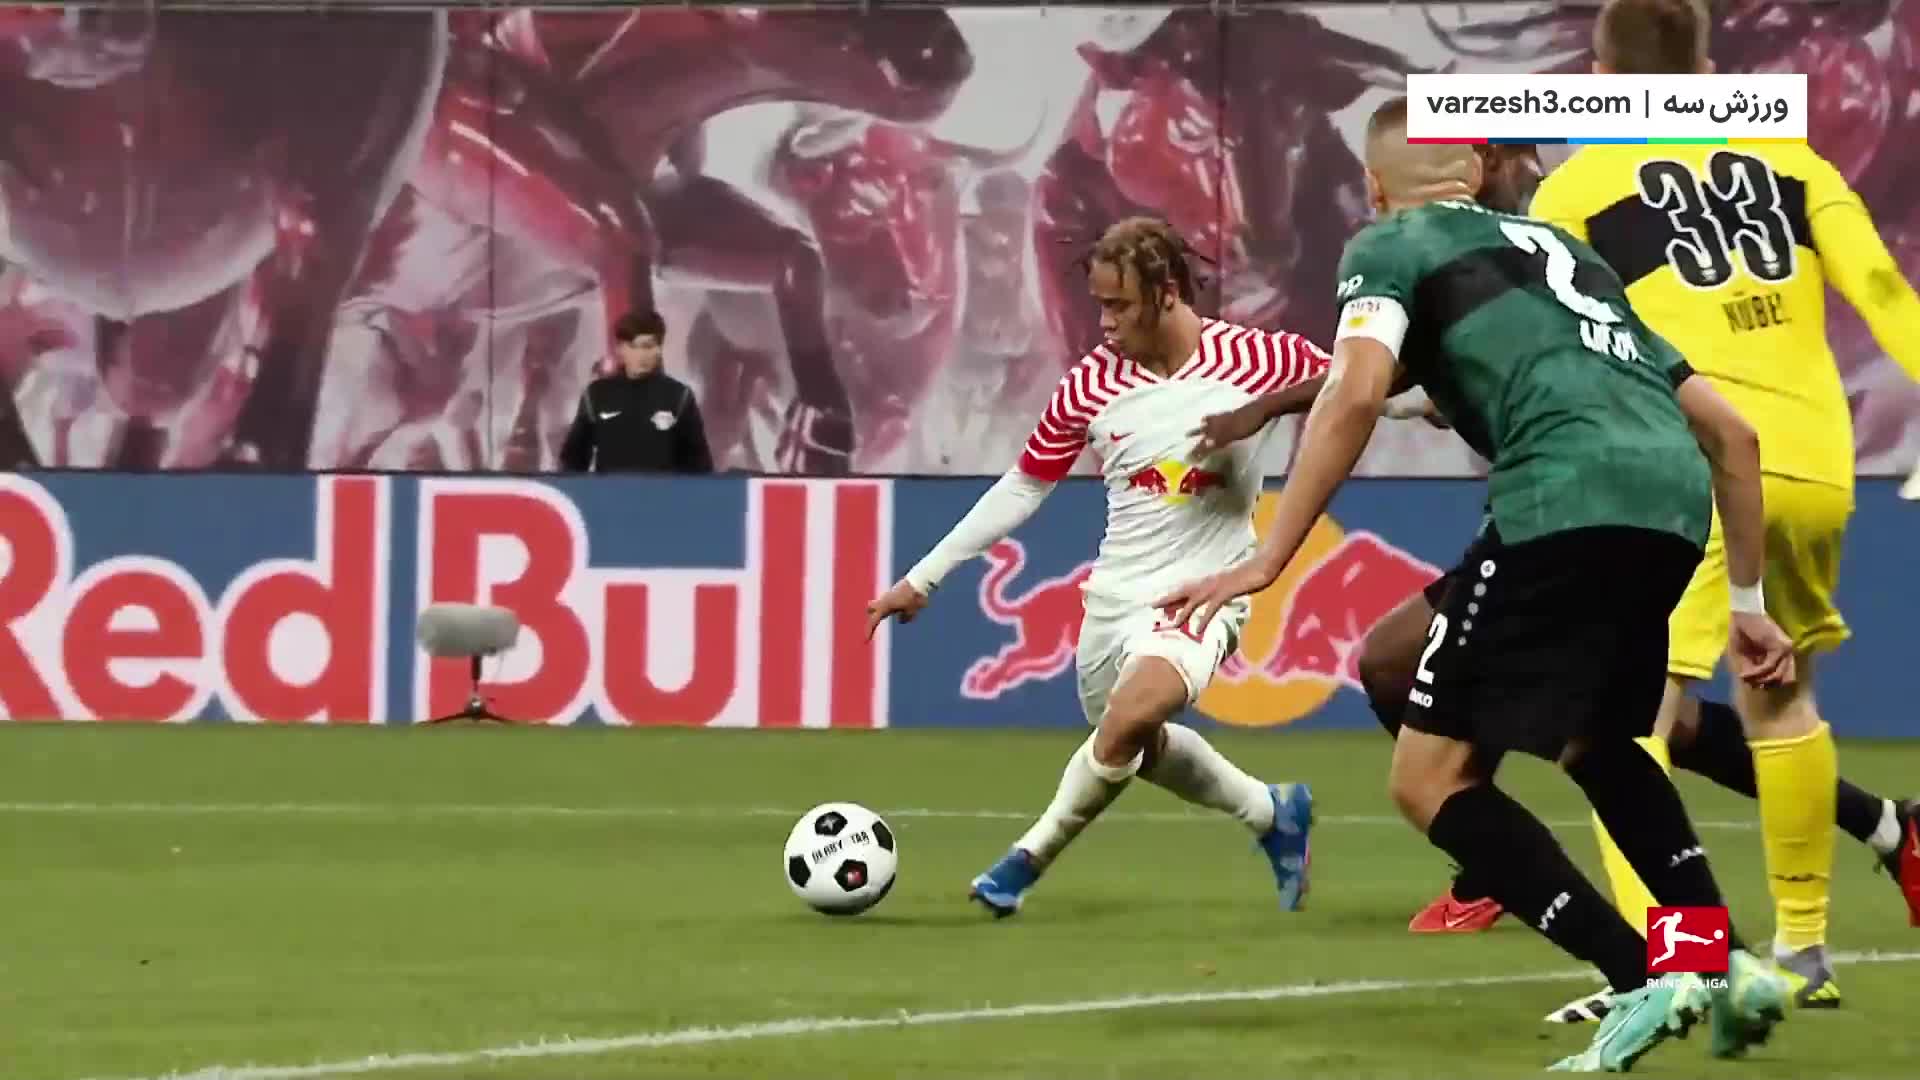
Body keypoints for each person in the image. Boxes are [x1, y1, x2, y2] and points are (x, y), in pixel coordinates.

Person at [1191, 131, 1920, 1021]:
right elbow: (1732, 434)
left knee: (1429, 778)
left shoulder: (1392, 244)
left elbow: (1357, 389)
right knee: (1601, 741)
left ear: (1375, 187)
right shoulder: (1566, 259)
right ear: (1476, 173)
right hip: (1672, 503)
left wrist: (1269, 554)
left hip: (1558, 503)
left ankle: (1636, 974)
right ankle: (1717, 965)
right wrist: (1746, 603)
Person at [1520, 0, 1920, 1011]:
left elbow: (1543, 339)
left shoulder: (1576, 189)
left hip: (1687, 466)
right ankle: (1804, 953)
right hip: (1814, 464)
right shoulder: (1796, 162)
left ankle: (1679, 966)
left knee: (1625, 725)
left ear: (1600, 84)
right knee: (1781, 693)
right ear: (1707, 73)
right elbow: (1881, 286)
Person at [864, 216, 1327, 918]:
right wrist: (921, 578)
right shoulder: (1089, 385)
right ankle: (1272, 812)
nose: (1104, 323)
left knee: (1130, 719)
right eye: (1099, 305)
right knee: (1132, 739)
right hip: (1113, 602)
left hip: (1204, 593)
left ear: (1166, 294)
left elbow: (1359, 383)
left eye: (1119, 306)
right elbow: (1024, 486)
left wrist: (1434, 399)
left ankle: (1022, 863)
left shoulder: (1257, 358)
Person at [558, 310, 714, 473]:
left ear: (659, 349)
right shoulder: (596, 395)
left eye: (648, 346)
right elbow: (573, 460)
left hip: (663, 489)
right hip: (611, 489)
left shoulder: (680, 396)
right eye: (633, 346)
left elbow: (699, 465)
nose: (641, 355)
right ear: (620, 349)